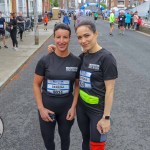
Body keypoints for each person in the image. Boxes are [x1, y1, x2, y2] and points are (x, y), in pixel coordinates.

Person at [48, 20, 118, 150]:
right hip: (82, 109)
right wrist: (55, 49)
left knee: (96, 145)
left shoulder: (107, 58)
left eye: (87, 35)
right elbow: (68, 61)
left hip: (98, 111)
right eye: (79, 37)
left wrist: (106, 117)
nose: (83, 40)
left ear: (95, 34)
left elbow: (110, 89)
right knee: (86, 141)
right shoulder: (83, 56)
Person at [33, 23, 81, 150]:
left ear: (70, 38)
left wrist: (73, 107)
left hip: (67, 108)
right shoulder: (44, 61)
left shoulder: (76, 61)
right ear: (53, 38)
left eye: (65, 37)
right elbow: (36, 84)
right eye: (58, 37)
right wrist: (41, 108)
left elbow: (77, 86)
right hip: (47, 107)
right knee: (48, 140)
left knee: (65, 138)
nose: (61, 41)